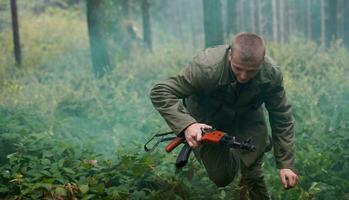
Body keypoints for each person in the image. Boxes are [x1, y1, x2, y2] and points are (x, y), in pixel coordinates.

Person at [150, 32, 298, 199]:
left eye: (251, 72)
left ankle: (251, 153)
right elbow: (160, 91)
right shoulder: (206, 67)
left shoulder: (271, 74)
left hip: (246, 116)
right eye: (238, 68)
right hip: (207, 120)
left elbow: (281, 117)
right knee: (222, 177)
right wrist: (187, 125)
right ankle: (243, 149)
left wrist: (286, 164)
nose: (243, 76)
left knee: (253, 172)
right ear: (229, 56)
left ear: (262, 62)